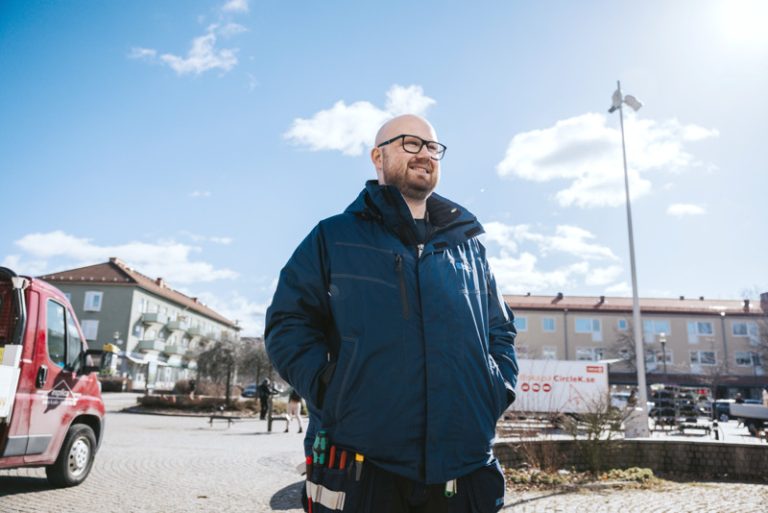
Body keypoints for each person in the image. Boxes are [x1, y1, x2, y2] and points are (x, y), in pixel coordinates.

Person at [265, 114, 518, 512]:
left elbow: (500, 331)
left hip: (463, 468)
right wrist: (333, 389)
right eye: (410, 143)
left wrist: (494, 390)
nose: (425, 154)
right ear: (377, 158)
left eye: (433, 147)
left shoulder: (469, 248)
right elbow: (288, 324)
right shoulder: (333, 237)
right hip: (363, 467)